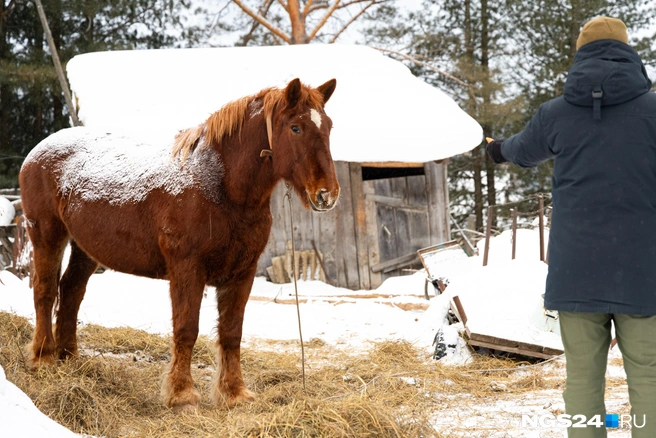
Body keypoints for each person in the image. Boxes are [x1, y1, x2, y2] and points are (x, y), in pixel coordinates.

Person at [486, 16, 656, 438]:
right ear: (627, 52)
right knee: (650, 381)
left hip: (577, 272)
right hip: (643, 271)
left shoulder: (555, 114)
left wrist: (495, 150)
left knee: (582, 380)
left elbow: (521, 152)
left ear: (581, 55)